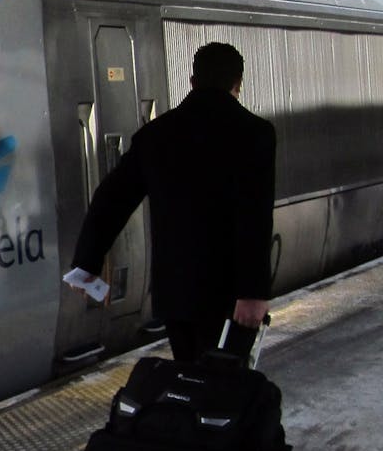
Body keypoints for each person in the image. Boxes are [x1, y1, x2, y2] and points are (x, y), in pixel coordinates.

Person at [67, 41, 276, 362]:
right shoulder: (256, 134)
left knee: (189, 378)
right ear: (238, 83)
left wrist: (87, 263)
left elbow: (111, 198)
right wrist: (253, 292)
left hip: (175, 295)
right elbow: (255, 217)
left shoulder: (156, 135)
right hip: (231, 297)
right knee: (226, 387)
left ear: (192, 81)